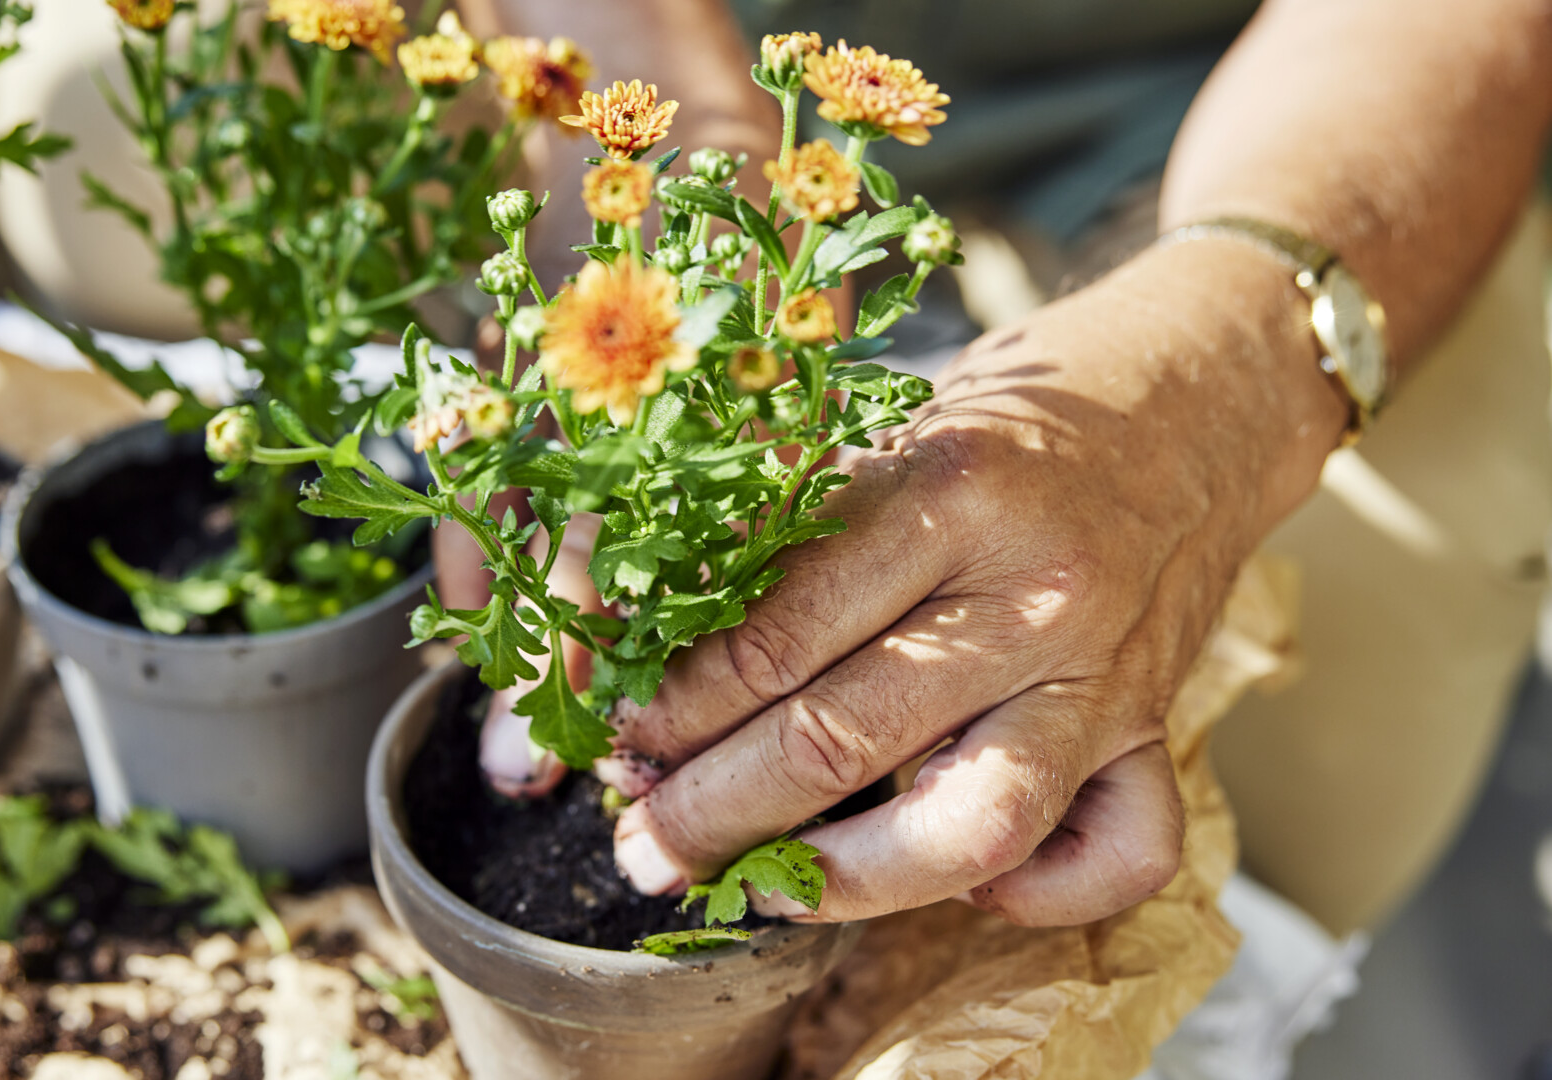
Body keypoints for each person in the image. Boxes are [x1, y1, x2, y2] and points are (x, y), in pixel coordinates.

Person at [446, 0, 1552, 931]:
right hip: (674, 55)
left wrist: (1215, 386)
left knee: (1293, 798)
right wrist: (667, 99)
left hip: (1276, 106)